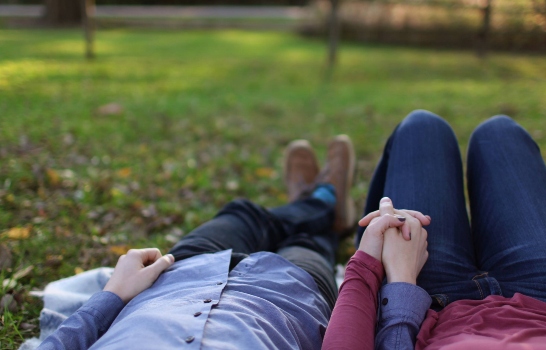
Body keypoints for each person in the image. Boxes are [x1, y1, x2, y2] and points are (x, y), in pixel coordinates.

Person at [323, 110, 546, 350]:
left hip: (427, 307)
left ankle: (334, 206)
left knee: (421, 128)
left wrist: (374, 264)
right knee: (501, 133)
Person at [38, 136, 357, 349]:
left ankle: (318, 201)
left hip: (176, 282)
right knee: (311, 242)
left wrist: (113, 294)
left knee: (243, 214)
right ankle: (325, 203)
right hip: (287, 302)